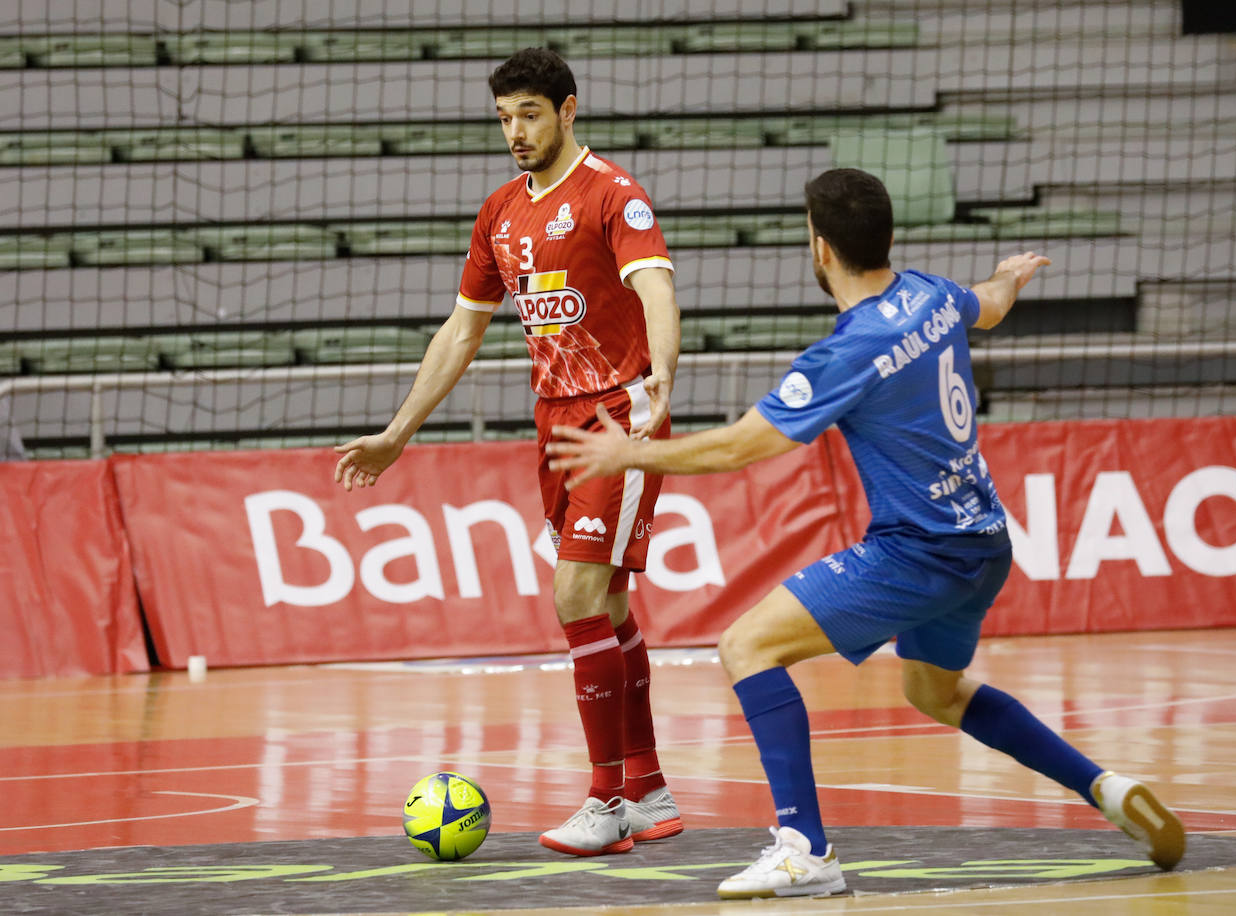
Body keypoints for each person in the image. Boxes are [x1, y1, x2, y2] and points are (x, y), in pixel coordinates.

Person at [548, 168, 1186, 899]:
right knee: (938, 693)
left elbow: (741, 447)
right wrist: (1009, 275)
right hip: (983, 543)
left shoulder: (848, 351)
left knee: (747, 645)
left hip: (917, 553)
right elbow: (993, 306)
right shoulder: (934, 294)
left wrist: (631, 452)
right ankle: (1105, 787)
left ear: (819, 247)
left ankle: (804, 848)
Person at [333, 47, 684, 856]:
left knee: (575, 598)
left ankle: (604, 802)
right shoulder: (498, 213)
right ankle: (650, 789)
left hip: (619, 417)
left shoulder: (612, 194)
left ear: (567, 110)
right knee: (612, 607)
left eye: (528, 114)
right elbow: (462, 332)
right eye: (503, 118)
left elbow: (655, 285)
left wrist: (662, 372)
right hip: (555, 423)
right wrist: (396, 434)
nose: (515, 132)